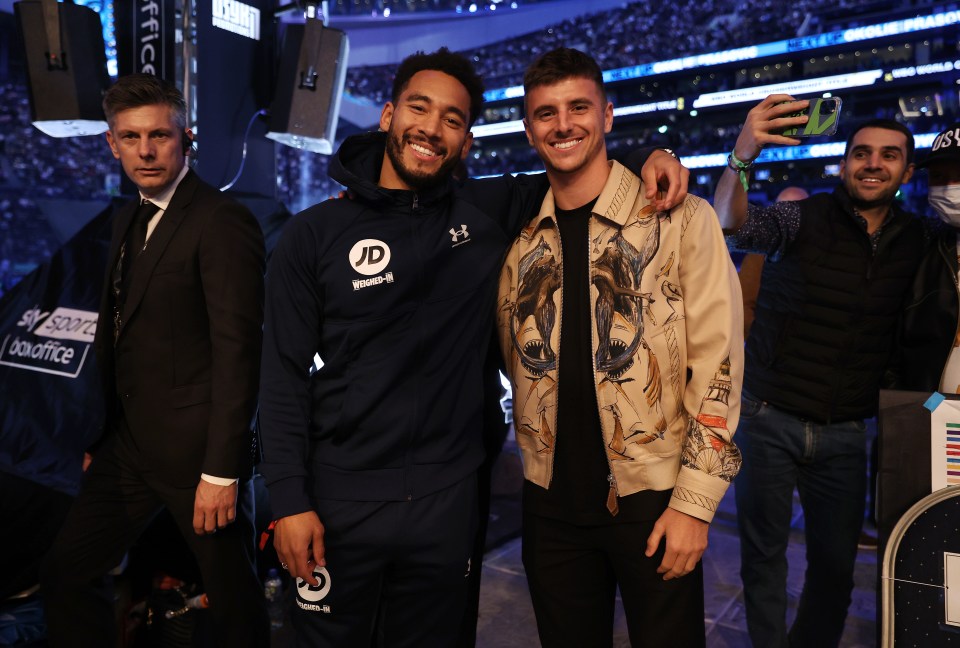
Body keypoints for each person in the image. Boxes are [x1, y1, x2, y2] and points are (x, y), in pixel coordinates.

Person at [258, 48, 687, 647]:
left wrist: (653, 156)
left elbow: (575, 162)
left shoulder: (487, 213)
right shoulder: (314, 234)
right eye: (419, 108)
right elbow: (279, 377)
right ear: (386, 115)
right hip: (338, 502)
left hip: (446, 504)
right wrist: (288, 500)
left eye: (452, 120)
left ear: (465, 142)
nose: (432, 128)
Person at [496, 47, 743, 648]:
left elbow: (720, 364)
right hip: (549, 503)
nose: (563, 124)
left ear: (608, 115)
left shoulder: (681, 219)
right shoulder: (518, 237)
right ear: (529, 130)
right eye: (546, 113)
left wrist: (694, 504)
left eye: (578, 107)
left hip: (653, 499)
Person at [40, 74, 269, 647]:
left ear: (185, 138)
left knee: (236, 606)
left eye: (160, 135)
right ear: (111, 144)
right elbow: (122, 336)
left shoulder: (222, 221)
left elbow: (239, 355)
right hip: (128, 448)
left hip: (199, 461)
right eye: (131, 137)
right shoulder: (127, 217)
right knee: (65, 572)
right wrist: (104, 434)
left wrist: (222, 472)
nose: (146, 150)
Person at [713, 94, 925, 648]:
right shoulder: (800, 217)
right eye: (861, 153)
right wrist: (743, 151)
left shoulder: (917, 241)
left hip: (847, 433)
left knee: (834, 570)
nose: (873, 163)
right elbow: (730, 223)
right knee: (764, 560)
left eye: (889, 155)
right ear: (843, 162)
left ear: (906, 169)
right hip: (769, 419)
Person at [895, 122, 960, 391]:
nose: (949, 187)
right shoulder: (925, 249)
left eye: (958, 175)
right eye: (939, 177)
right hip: (937, 411)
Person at [738, 186, 809, 338]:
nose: (791, 220)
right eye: (784, 213)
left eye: (798, 211)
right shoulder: (757, 258)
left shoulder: (826, 250)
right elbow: (743, 306)